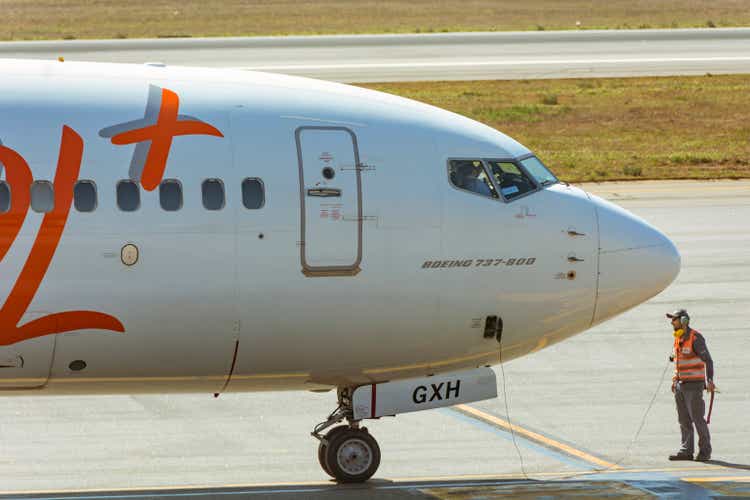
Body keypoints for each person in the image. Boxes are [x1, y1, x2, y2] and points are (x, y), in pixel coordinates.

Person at [667, 309, 714, 462]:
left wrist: (710, 380)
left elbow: (708, 360)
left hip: (694, 386)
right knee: (684, 420)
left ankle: (705, 451)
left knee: (697, 419)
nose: (671, 322)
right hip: (681, 385)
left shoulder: (695, 338)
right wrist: (675, 379)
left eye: (674, 319)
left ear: (684, 321)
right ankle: (686, 450)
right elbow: (679, 361)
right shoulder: (678, 338)